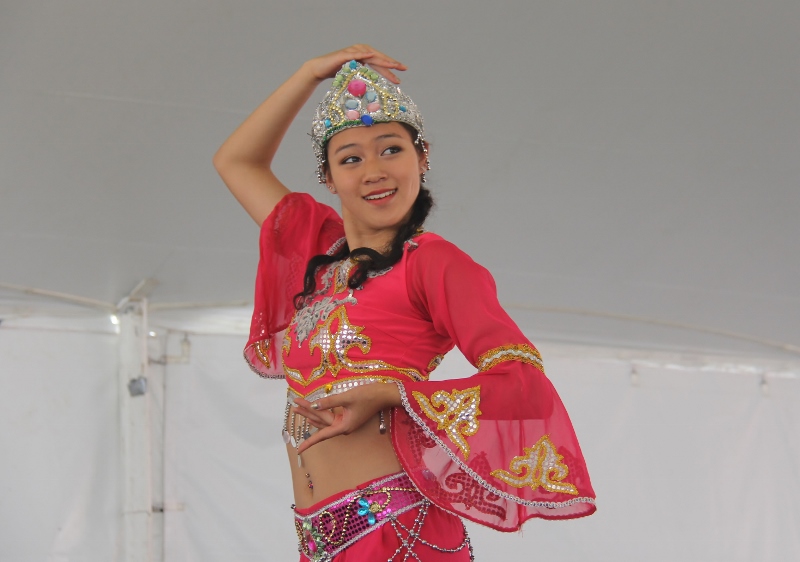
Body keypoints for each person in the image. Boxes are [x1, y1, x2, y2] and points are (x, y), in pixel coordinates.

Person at [214, 45, 596, 561]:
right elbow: (235, 161)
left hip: (400, 532)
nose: (373, 171)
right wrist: (309, 73)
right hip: (321, 540)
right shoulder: (319, 252)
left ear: (422, 157)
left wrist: (394, 393)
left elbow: (523, 382)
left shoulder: (433, 263)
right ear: (329, 178)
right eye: (351, 159)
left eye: (391, 150)